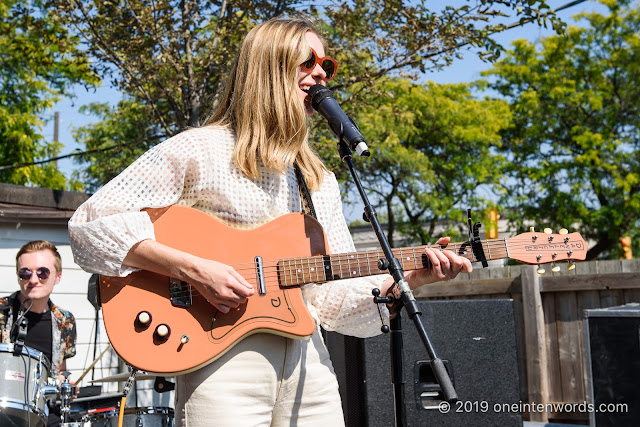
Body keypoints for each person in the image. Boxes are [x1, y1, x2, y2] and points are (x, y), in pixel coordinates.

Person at [68, 17, 472, 426]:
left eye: (326, 66)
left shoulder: (317, 179)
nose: (320, 72)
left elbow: (333, 300)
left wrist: (414, 278)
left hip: (308, 361)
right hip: (222, 359)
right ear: (268, 68)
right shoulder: (201, 150)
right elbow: (92, 222)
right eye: (307, 61)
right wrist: (193, 269)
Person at [0, 240, 77, 426]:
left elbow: (58, 372)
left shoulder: (65, 320)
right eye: (25, 273)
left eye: (42, 272)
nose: (33, 280)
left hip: (41, 412)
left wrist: (64, 385)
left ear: (57, 277)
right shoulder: (2, 311)